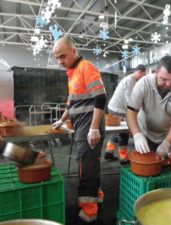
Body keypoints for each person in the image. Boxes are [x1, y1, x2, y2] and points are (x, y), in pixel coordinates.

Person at [52, 35, 107, 224]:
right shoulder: (72, 72)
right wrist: (61, 120)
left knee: (87, 168)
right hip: (82, 127)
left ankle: (90, 211)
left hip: (89, 127)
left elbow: (100, 98)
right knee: (90, 164)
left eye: (62, 56)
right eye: (57, 58)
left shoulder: (86, 68)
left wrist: (94, 129)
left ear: (74, 51)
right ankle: (97, 197)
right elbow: (72, 102)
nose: (60, 61)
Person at [126, 55, 171, 157]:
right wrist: (136, 134)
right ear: (156, 73)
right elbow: (131, 111)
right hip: (146, 135)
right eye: (164, 79)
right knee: (146, 167)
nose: (168, 84)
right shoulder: (144, 84)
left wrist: (167, 143)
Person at [104, 64, 146, 164]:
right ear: (139, 72)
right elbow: (129, 100)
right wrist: (138, 111)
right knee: (124, 133)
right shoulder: (130, 81)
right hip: (118, 109)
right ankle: (124, 158)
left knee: (116, 132)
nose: (144, 77)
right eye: (144, 74)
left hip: (115, 107)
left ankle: (108, 153)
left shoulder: (133, 80)